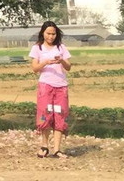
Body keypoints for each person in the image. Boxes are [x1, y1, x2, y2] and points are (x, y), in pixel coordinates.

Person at [29, 20, 72, 158]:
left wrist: (62, 61)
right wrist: (45, 62)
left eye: (53, 34)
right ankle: (44, 146)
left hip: (61, 87)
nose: (51, 36)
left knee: (60, 115)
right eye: (48, 33)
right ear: (43, 33)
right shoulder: (37, 48)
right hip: (45, 86)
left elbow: (69, 67)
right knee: (45, 115)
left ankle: (57, 149)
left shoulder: (61, 48)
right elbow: (35, 68)